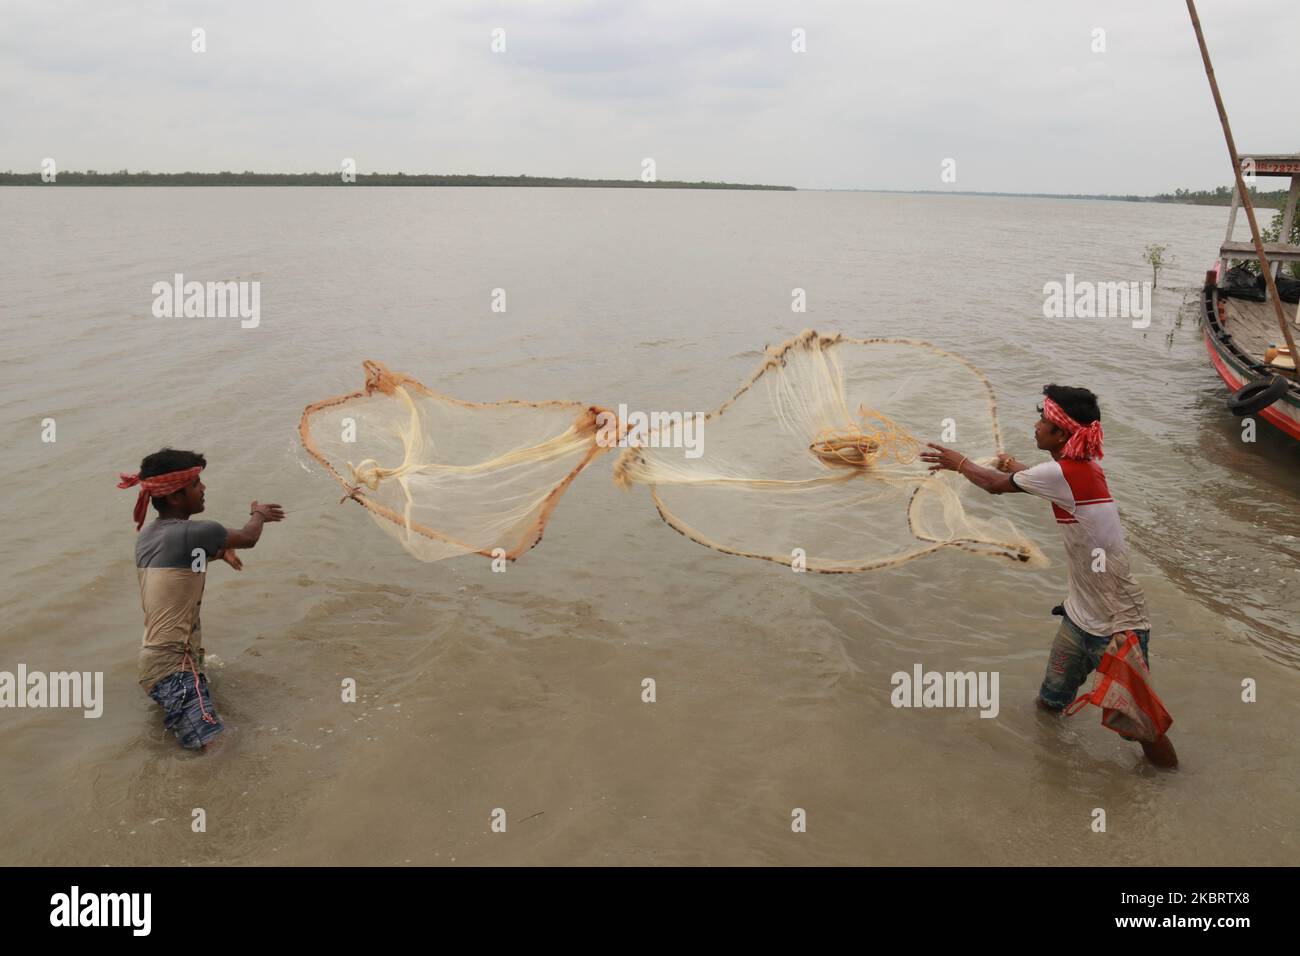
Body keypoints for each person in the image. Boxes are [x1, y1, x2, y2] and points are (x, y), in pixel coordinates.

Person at [919, 385, 1177, 768]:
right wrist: (1018, 468)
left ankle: (1169, 787)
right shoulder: (1079, 469)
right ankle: (1049, 766)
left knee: (1142, 728)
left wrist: (959, 462)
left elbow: (992, 486)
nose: (1036, 425)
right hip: (1079, 617)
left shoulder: (1063, 473)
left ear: (1061, 436)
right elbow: (1051, 483)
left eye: (1045, 421)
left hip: (1119, 624)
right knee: (1049, 702)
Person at [118, 448, 285, 750]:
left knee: (187, 743)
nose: (204, 488)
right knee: (218, 750)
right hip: (174, 668)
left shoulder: (149, 535)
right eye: (196, 484)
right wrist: (259, 513)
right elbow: (249, 537)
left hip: (157, 663)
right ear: (175, 497)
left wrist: (219, 552)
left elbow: (180, 563)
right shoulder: (198, 532)